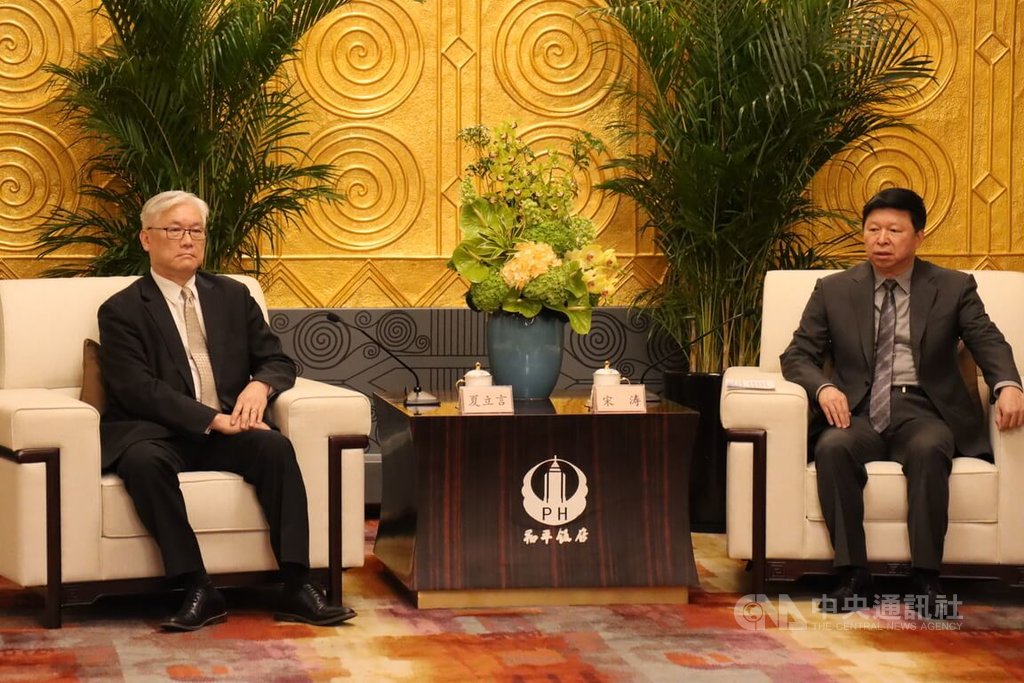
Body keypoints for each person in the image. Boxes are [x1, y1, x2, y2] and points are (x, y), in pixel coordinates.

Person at [98, 191, 355, 631]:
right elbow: (136, 388)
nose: (187, 240)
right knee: (142, 464)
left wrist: (260, 385)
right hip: (159, 433)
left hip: (230, 428)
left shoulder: (233, 296)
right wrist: (210, 419)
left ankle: (297, 585)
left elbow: (277, 360)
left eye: (195, 231)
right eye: (174, 230)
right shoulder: (122, 310)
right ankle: (198, 588)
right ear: (146, 239)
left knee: (275, 448)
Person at [780, 187, 1024, 618]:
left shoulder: (953, 287)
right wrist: (823, 388)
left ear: (918, 236)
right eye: (873, 229)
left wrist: (1008, 385)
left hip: (923, 410)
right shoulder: (833, 290)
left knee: (930, 450)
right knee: (832, 447)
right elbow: (797, 355)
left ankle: (926, 578)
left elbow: (987, 340)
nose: (881, 239)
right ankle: (853, 575)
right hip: (856, 410)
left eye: (894, 230)